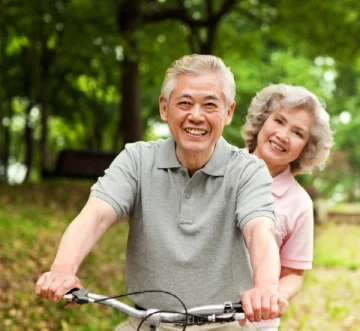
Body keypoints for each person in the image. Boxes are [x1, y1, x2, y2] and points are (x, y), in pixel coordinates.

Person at [35, 55, 284, 331]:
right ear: (165, 108)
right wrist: (62, 270)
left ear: (228, 112)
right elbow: (95, 216)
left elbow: (260, 231)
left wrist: (265, 288)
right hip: (146, 322)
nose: (196, 116)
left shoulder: (248, 171)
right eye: (184, 103)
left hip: (224, 324)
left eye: (210, 104)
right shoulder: (137, 159)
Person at [241, 84, 334, 331]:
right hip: (197, 314)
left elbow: (294, 273)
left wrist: (270, 298)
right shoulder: (219, 168)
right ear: (262, 121)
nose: (283, 135)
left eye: (297, 133)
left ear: (307, 147)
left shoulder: (300, 203)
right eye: (279, 121)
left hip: (253, 324)